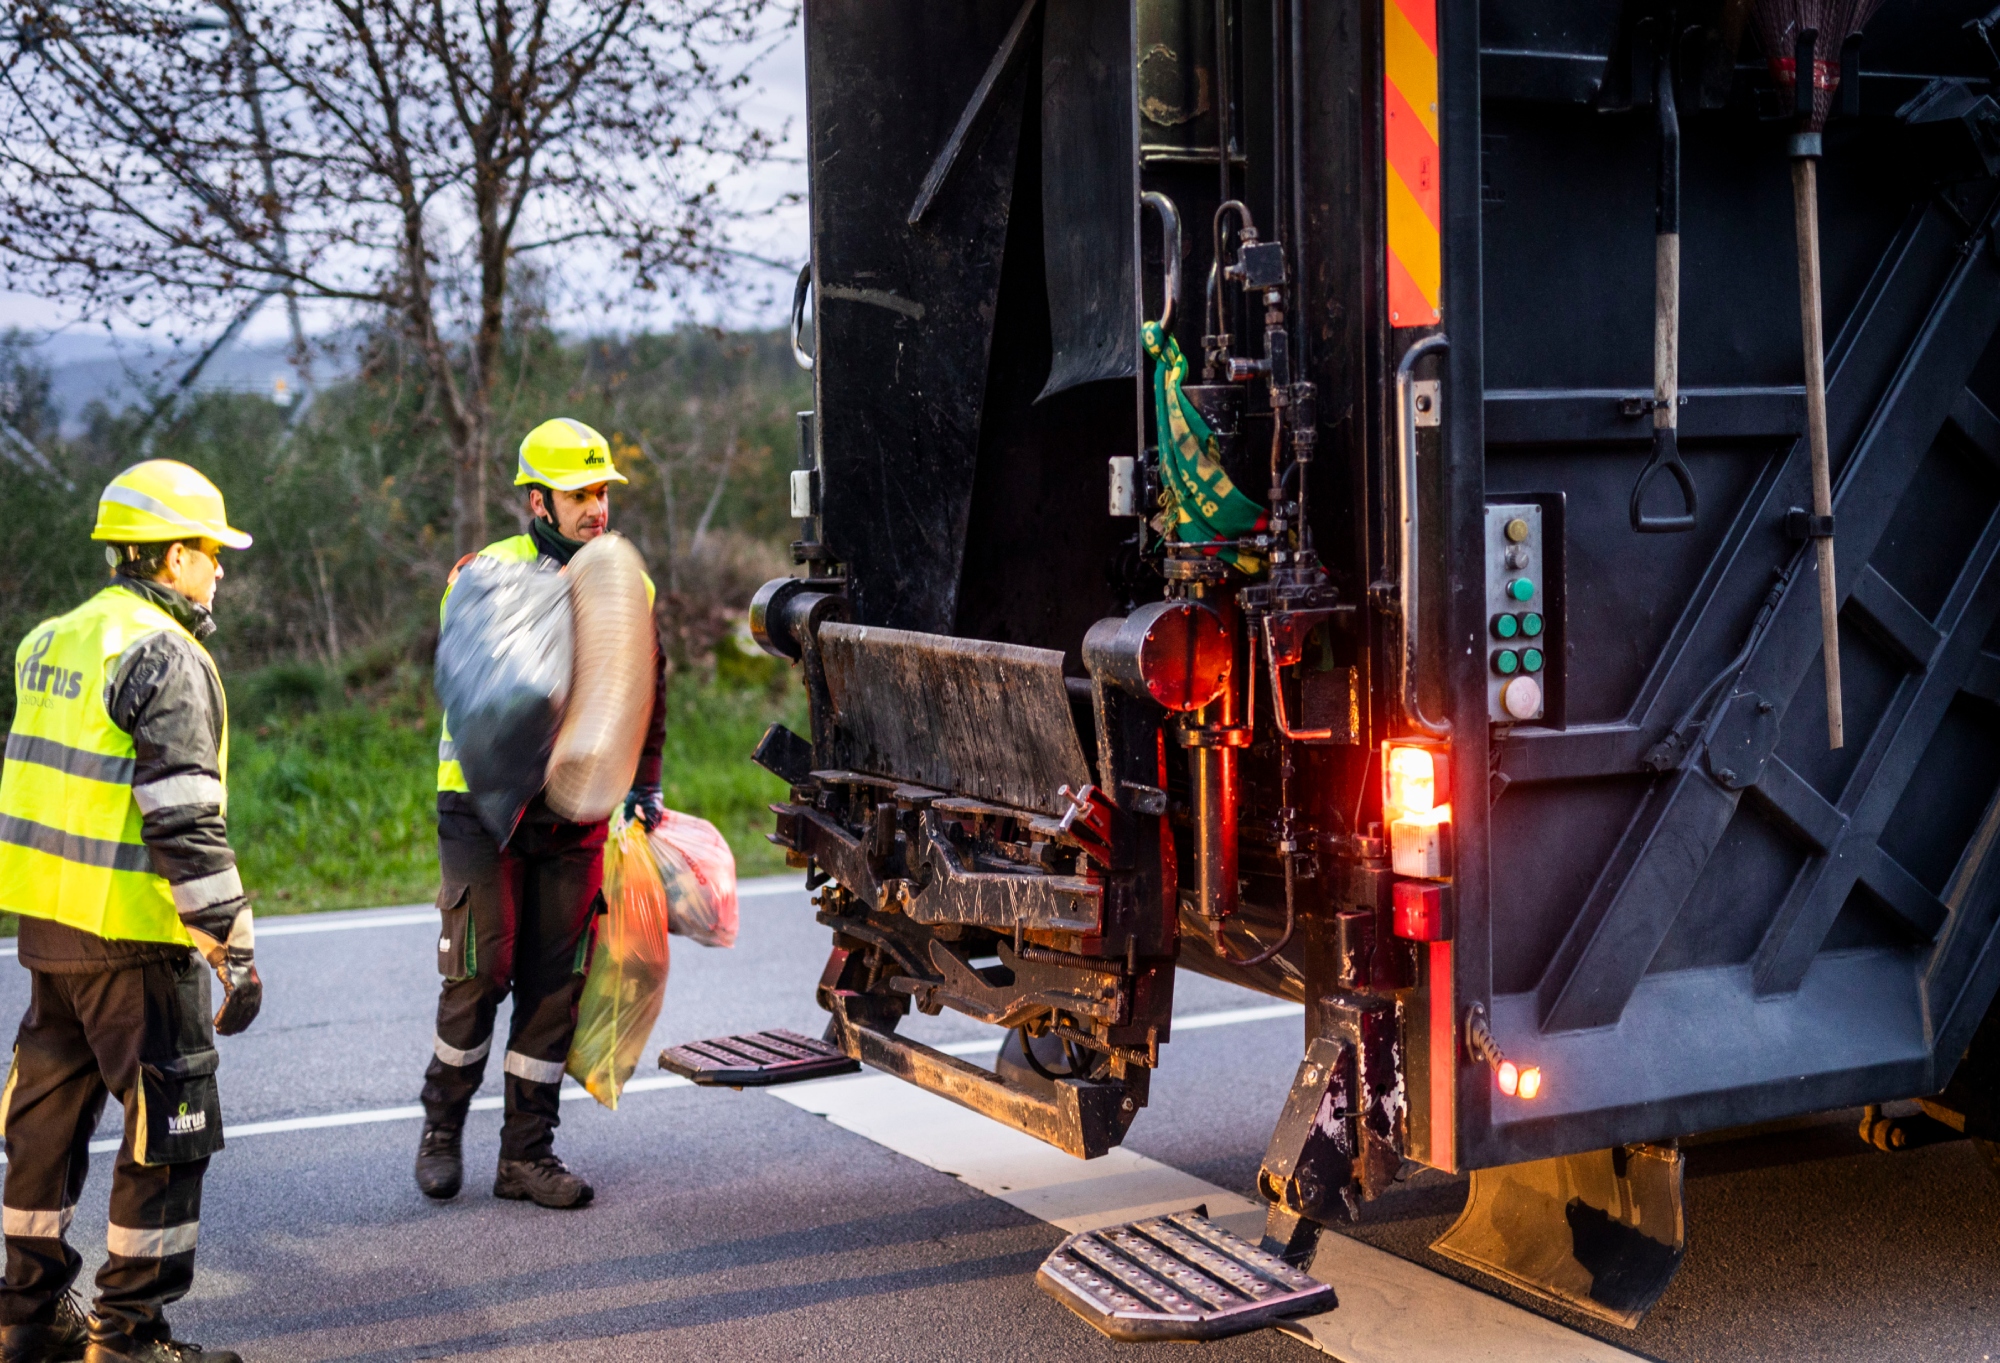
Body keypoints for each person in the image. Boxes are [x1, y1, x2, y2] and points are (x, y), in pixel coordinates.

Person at [0, 461, 263, 1363]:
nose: (219, 568)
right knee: (170, 1134)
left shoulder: (51, 640)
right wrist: (231, 945)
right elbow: (184, 818)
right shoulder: (164, 654)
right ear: (175, 555)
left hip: (48, 931)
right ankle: (129, 1338)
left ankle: (24, 1317)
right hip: (135, 936)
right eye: (212, 552)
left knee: (43, 1130)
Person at [416, 418, 665, 1209]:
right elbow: (476, 692)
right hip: (481, 811)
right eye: (579, 494)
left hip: (574, 816)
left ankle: (526, 1154)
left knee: (555, 985)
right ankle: (441, 1128)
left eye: (602, 492)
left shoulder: (627, 585)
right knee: (479, 973)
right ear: (537, 501)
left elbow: (648, 689)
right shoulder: (485, 575)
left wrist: (645, 786)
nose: (597, 508)